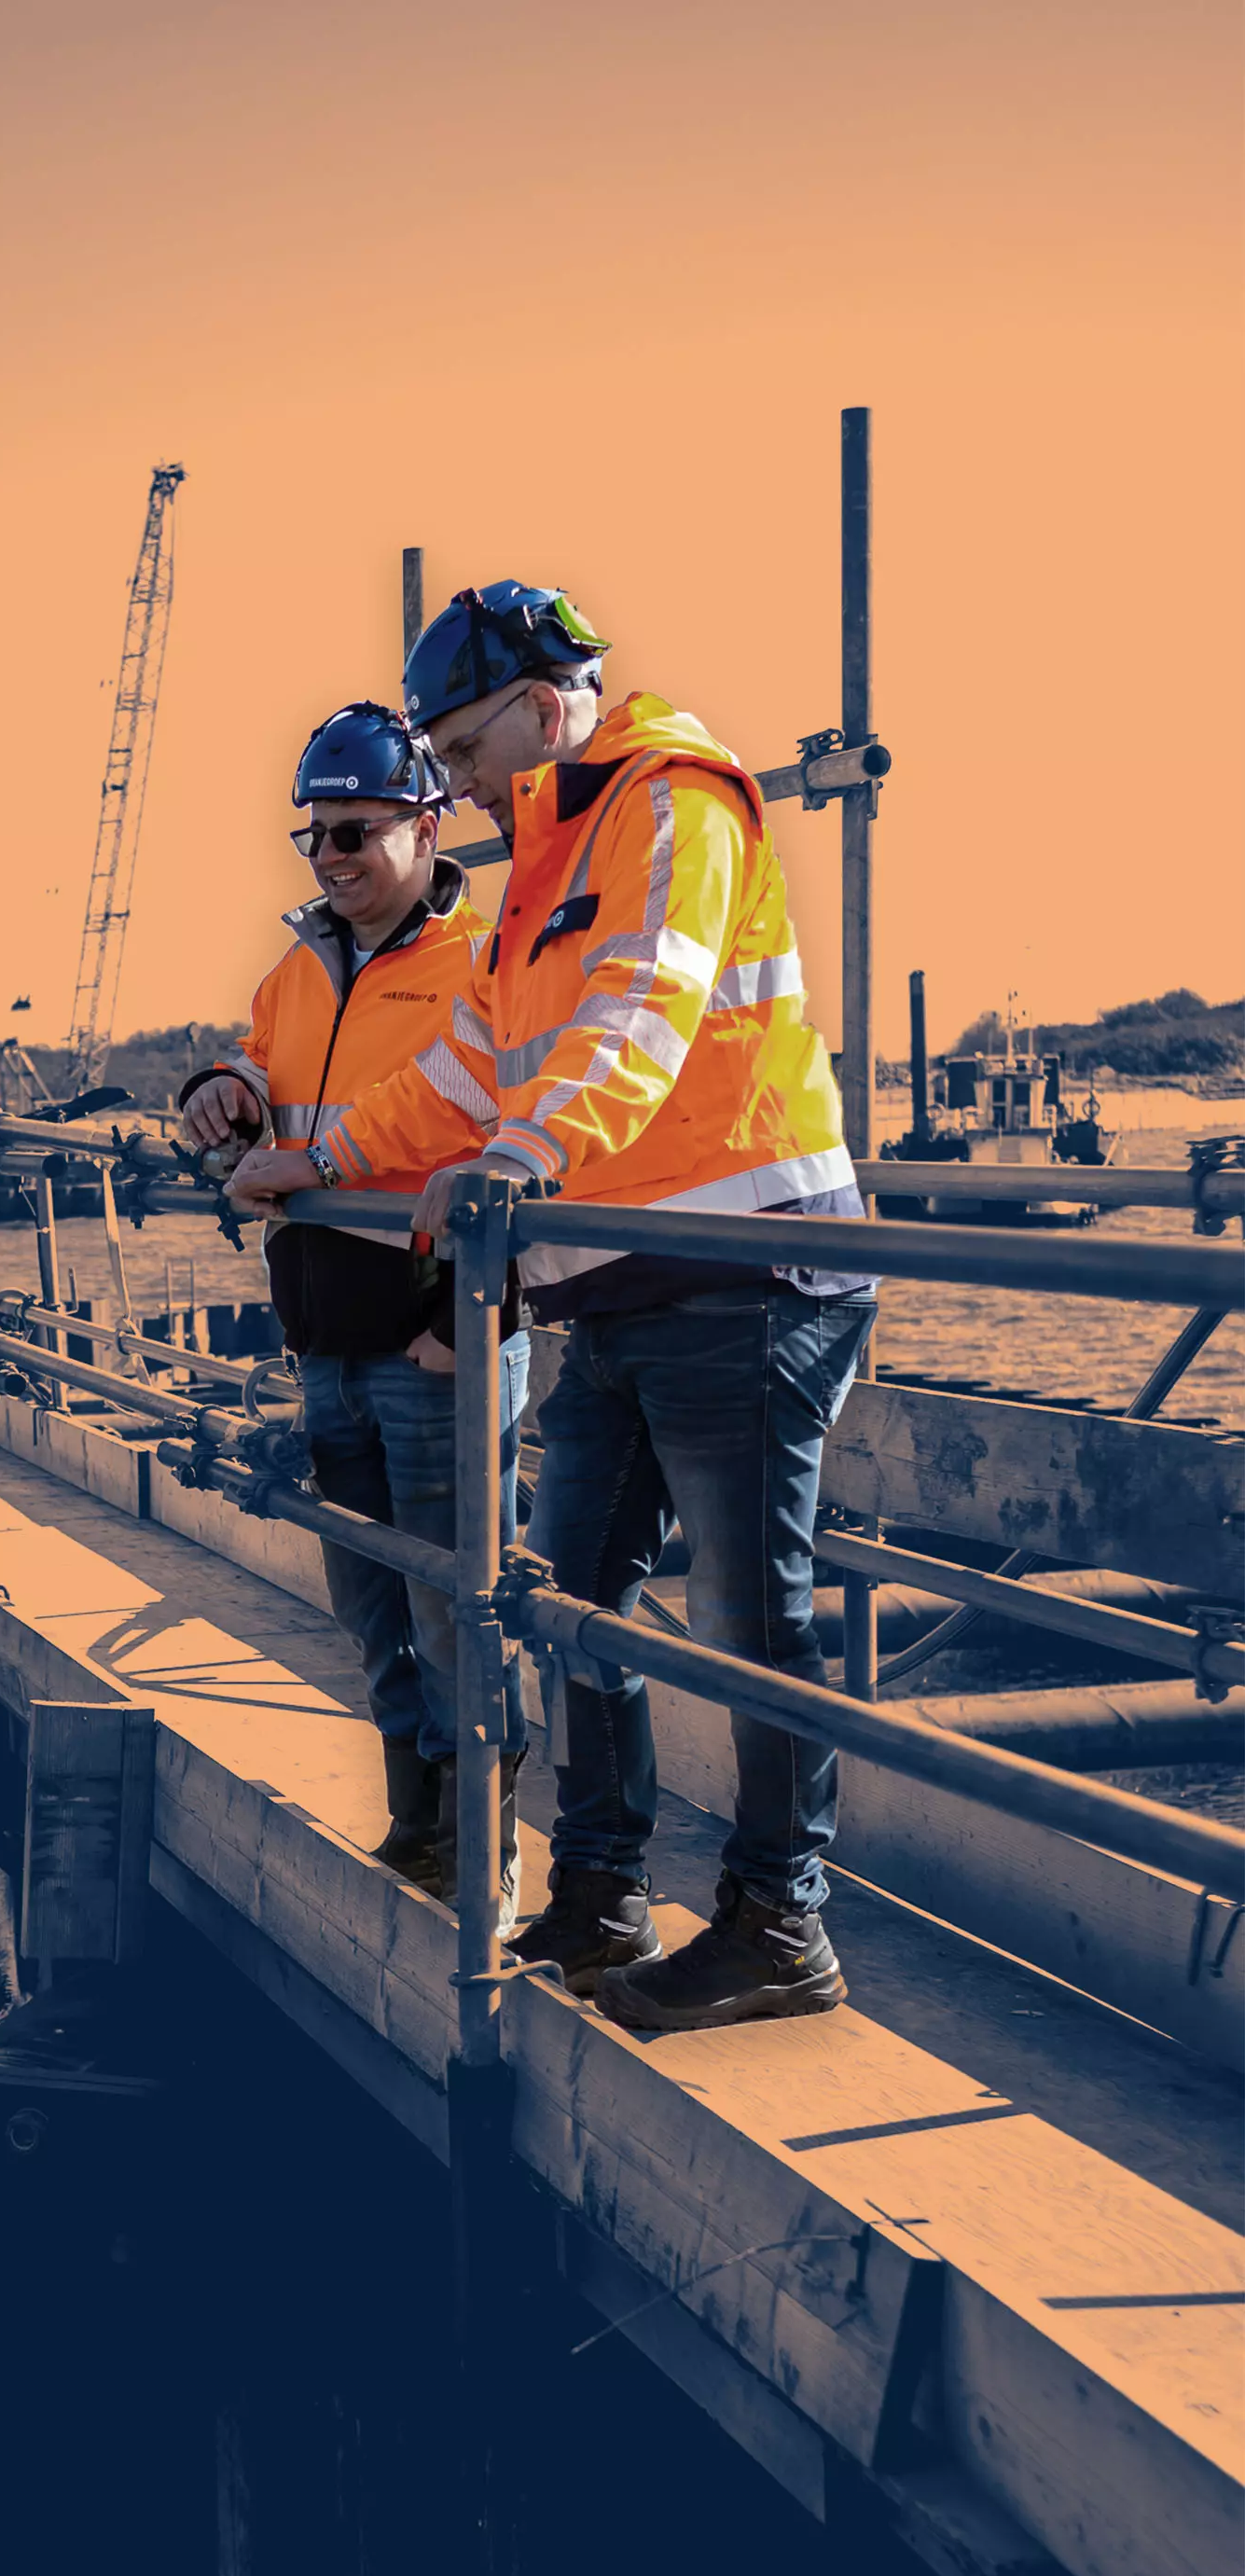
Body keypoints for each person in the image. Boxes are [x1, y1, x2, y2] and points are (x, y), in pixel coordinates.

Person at [307, 582, 875, 2029]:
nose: (457, 779)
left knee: (754, 1618)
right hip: (622, 1288)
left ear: (541, 702)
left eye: (461, 742)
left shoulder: (671, 803)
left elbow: (645, 1006)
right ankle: (602, 1893)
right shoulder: (545, 859)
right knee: (566, 1607)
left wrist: (521, 1153)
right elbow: (472, 1065)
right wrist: (323, 1155)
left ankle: (777, 1922)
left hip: (745, 1273)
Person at [179, 701, 529, 1921]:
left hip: (435, 1343)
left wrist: (474, 1325)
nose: (331, 859)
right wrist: (221, 1093)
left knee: (455, 1604)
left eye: (356, 833)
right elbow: (258, 1069)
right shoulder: (298, 971)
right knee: (372, 1605)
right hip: (326, 1343)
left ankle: (484, 1850)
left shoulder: (487, 969)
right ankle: (418, 1823)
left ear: (429, 827)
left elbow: (533, 1156)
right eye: (314, 838)